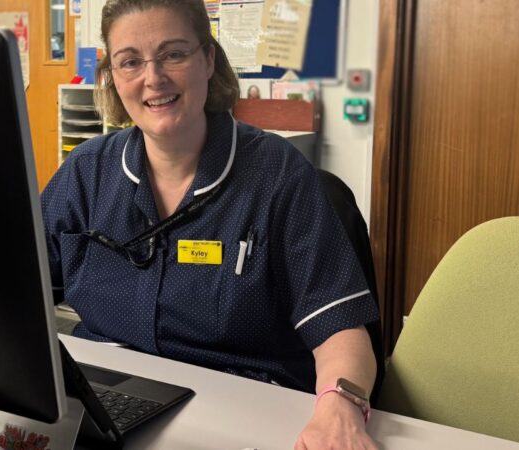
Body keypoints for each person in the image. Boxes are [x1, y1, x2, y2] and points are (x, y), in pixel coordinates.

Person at [41, 1, 380, 448]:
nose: (153, 77)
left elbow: (340, 327)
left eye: (173, 54)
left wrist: (340, 405)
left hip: (244, 412)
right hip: (110, 405)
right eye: (130, 61)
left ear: (208, 60)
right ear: (113, 76)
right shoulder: (85, 174)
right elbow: (16, 292)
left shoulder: (278, 177)